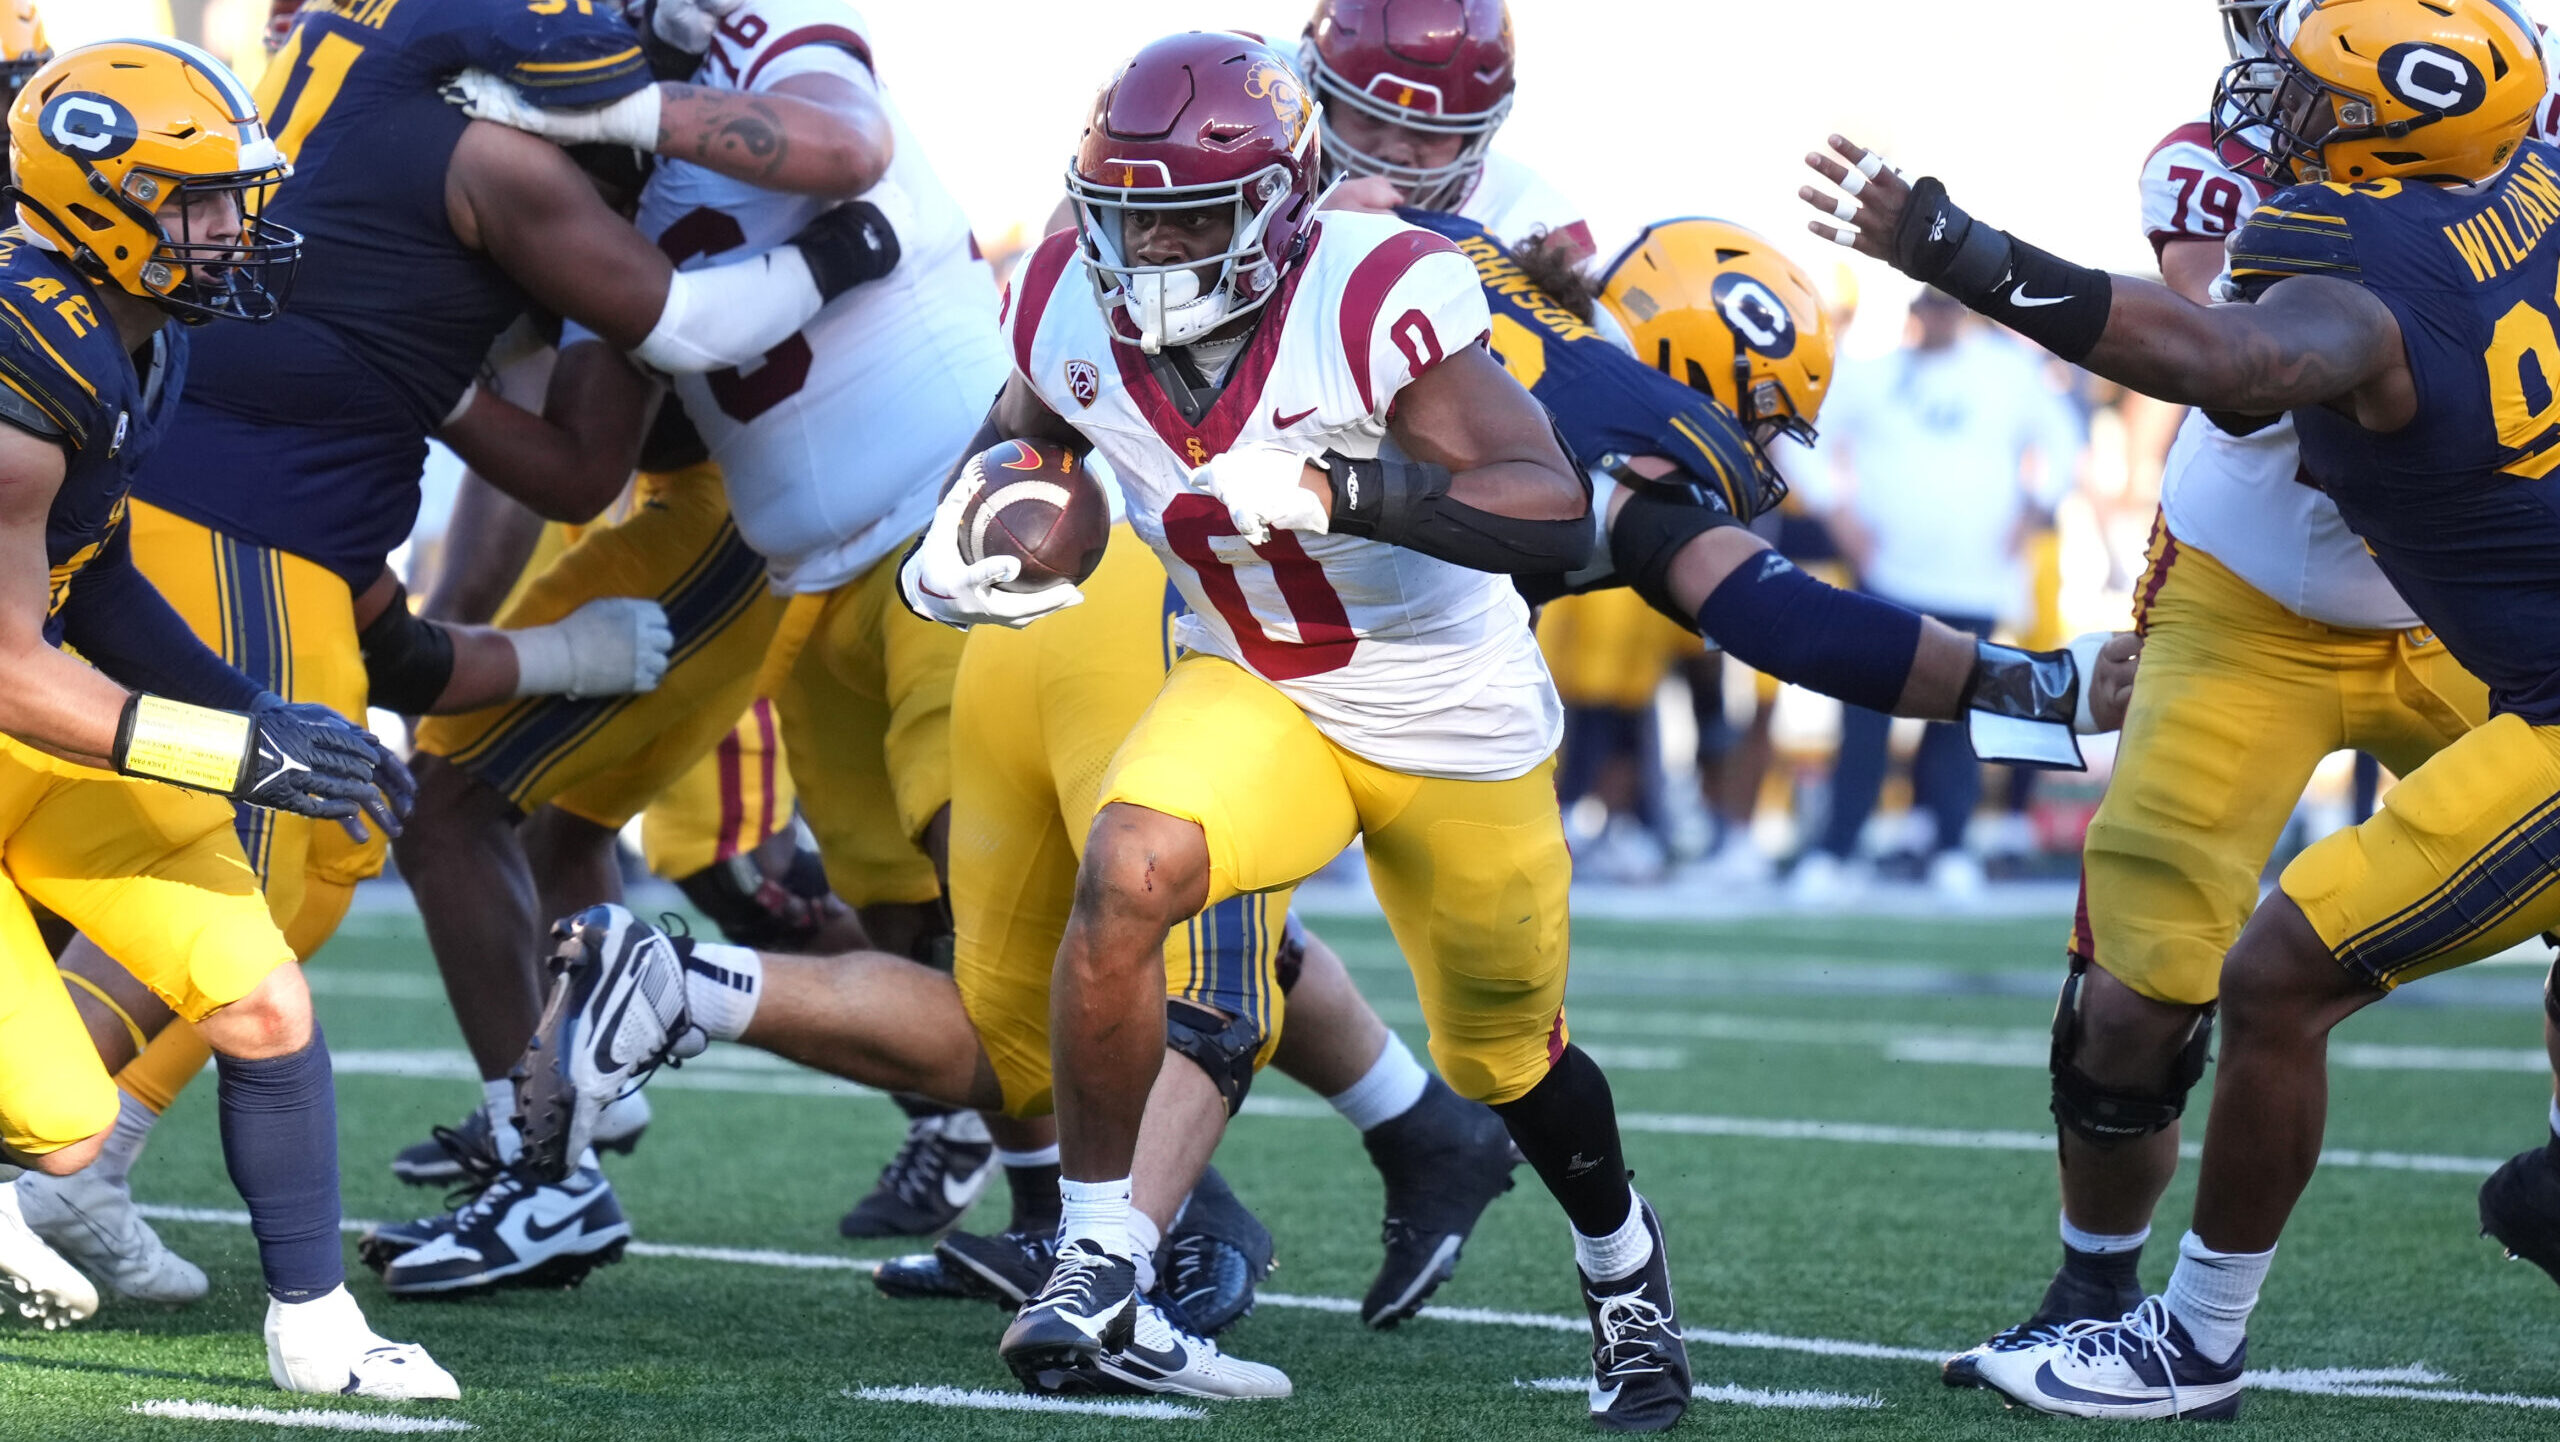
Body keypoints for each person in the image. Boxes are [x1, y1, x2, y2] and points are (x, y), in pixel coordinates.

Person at [1801, 0, 2560, 1418]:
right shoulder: (2308, 167)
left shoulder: (2471, 147)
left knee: (2306, 961)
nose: (2274, 71)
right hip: (2253, 597)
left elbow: (2251, 359)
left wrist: (1955, 248)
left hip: (2462, 616)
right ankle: (2097, 1284)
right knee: (2137, 988)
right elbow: (2239, 378)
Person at [375, 0, 1006, 1290]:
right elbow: (578, 436)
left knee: (965, 904)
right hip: (801, 530)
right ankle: (568, 1111)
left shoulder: (690, 75)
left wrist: (444, 646)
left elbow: (843, 154)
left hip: (840, 517)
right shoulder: (564, 139)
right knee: (921, 914)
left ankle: (556, 1137)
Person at [0, 37, 449, 1398]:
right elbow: (12, 665)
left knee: (257, 995)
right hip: (19, 702)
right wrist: (235, 750)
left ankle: (318, 1332)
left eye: (233, 192)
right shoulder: (25, 369)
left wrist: (267, 707)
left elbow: (102, 572)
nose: (232, 227)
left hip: (29, 736)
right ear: (96, 205)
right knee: (64, 1133)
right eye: (196, 201)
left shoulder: (130, 335)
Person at [1789, 288, 2081, 902]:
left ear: (1963, 313)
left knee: (1960, 715)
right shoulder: (1871, 373)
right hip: (1885, 575)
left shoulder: (2009, 371)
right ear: (1913, 314)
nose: (1938, 318)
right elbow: (1796, 436)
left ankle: (1951, 845)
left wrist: (2036, 507)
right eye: (1927, 308)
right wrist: (1834, 512)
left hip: (1974, 576)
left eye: (1950, 307)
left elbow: (2063, 439)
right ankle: (1838, 849)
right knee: (1864, 714)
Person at [1301, 0, 1592, 261]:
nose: (1394, 151)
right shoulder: (1263, 91)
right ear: (1315, 87)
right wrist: (1302, 227)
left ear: (1474, 137)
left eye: (1431, 129)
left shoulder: (1534, 223)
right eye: (1366, 114)